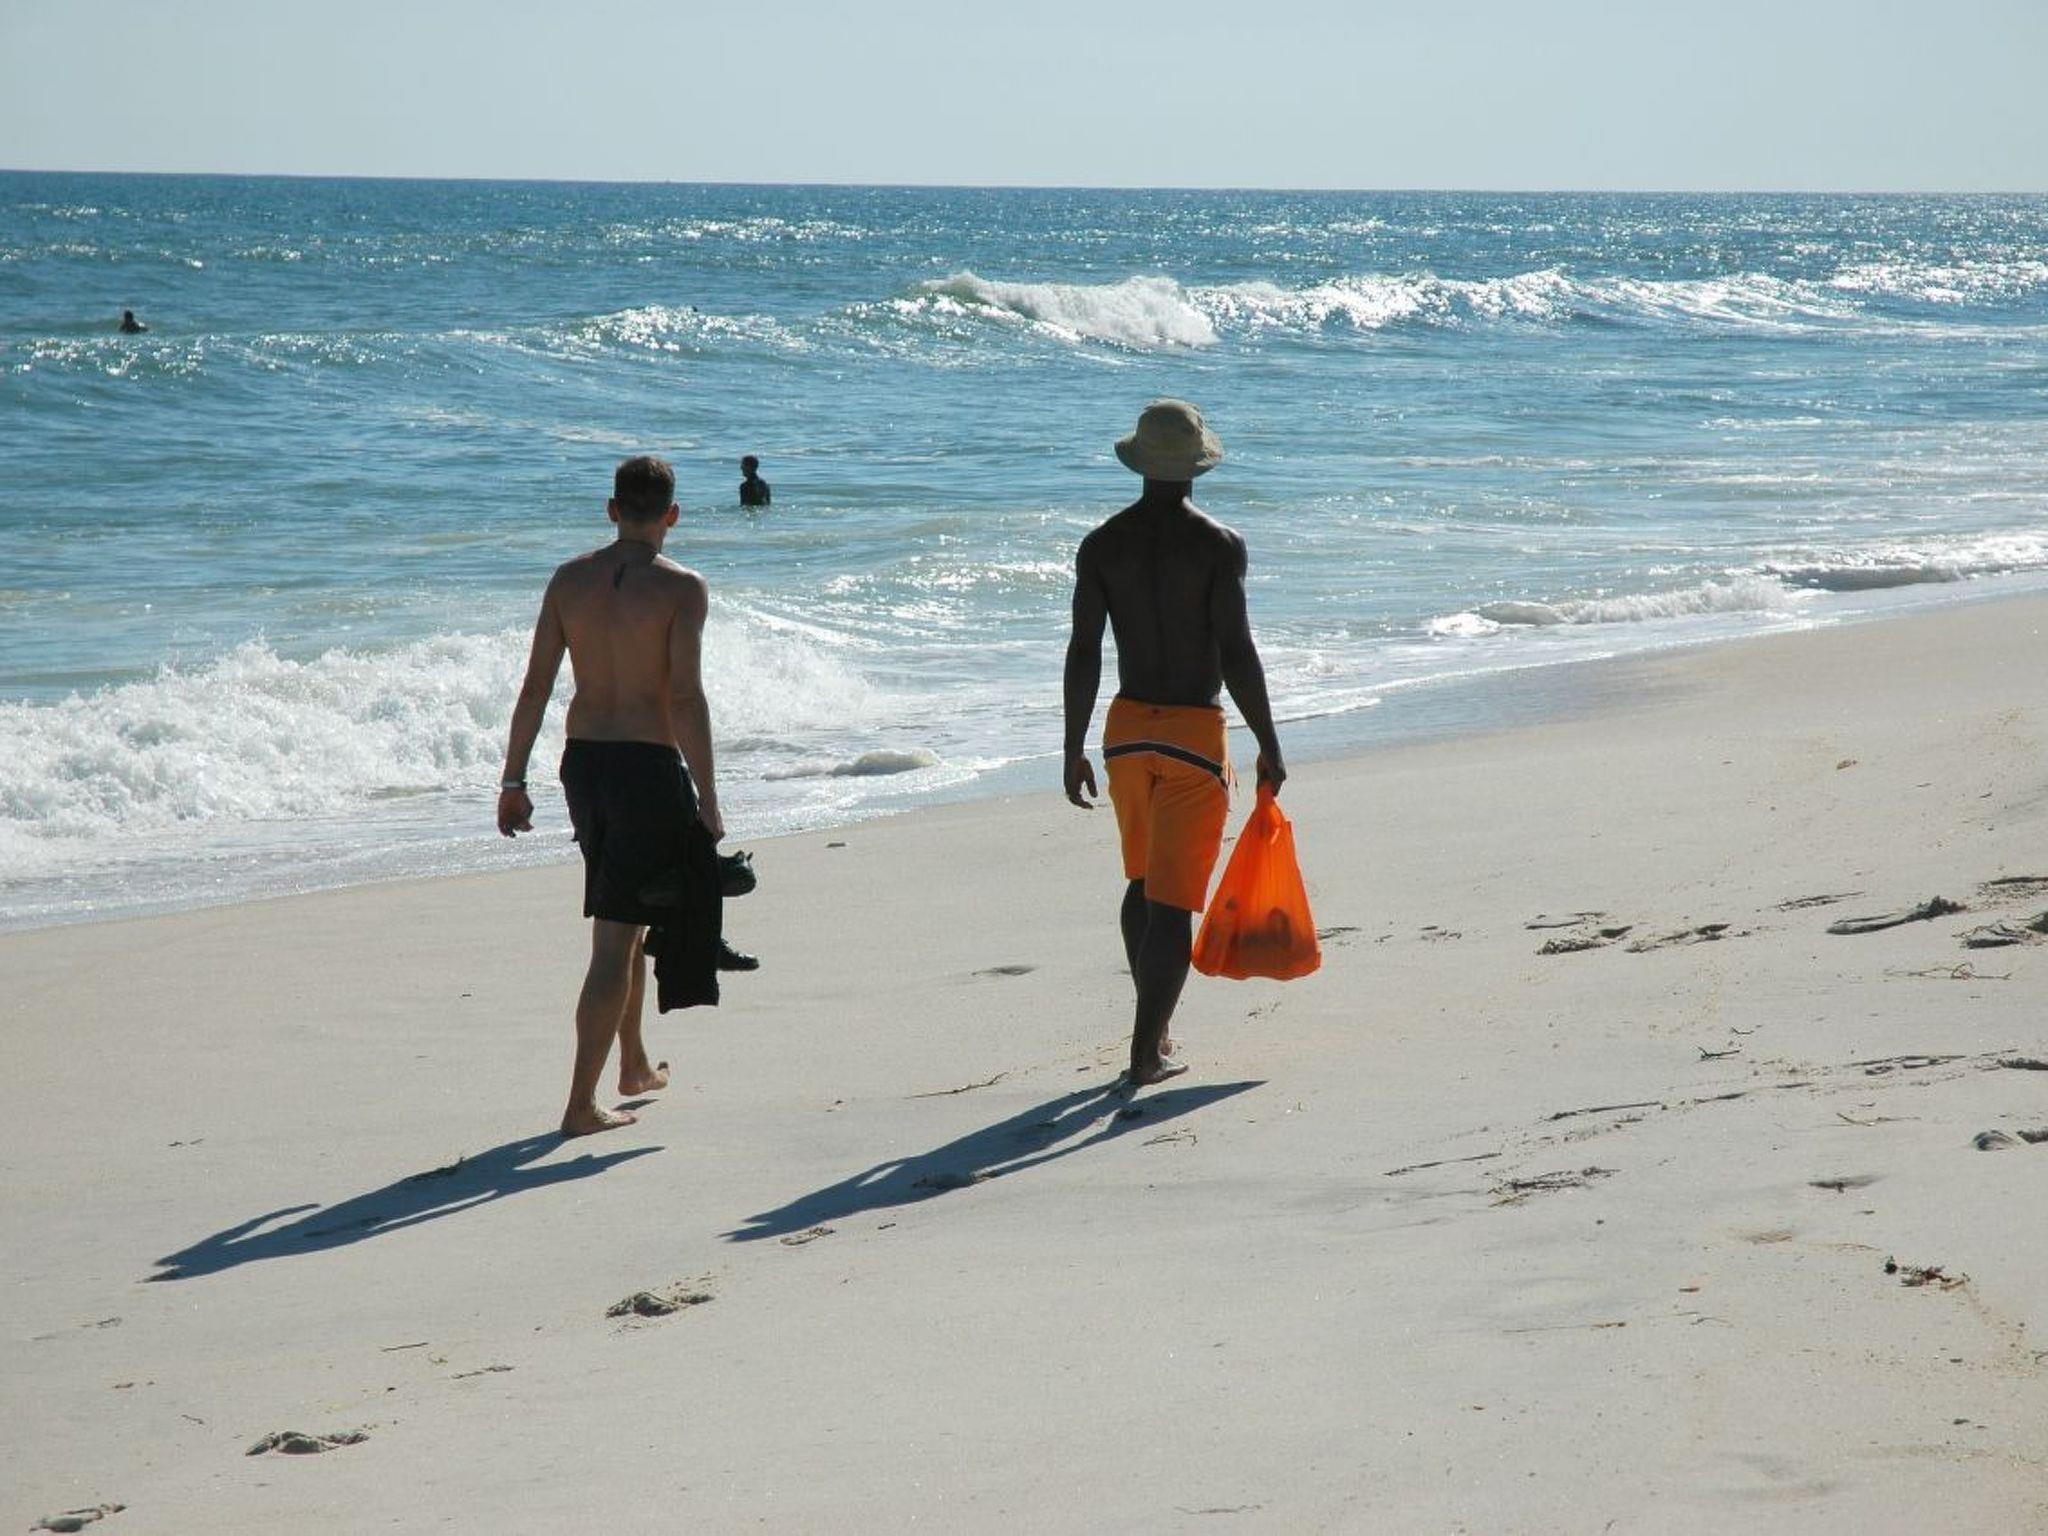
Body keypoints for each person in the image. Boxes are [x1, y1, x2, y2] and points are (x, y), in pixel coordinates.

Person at [497, 455, 726, 1137]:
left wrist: (513, 781)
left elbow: (535, 688)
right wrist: (709, 794)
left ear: (612, 509)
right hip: (645, 768)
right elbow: (684, 699)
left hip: (584, 766)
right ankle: (579, 1104)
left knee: (626, 914)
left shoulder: (568, 580)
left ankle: (634, 1065)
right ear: (673, 515)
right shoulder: (682, 589)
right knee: (615, 936)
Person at [1062, 400, 1287, 1087]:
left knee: (1142, 883)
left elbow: (1083, 651)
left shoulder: (1102, 544)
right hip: (1192, 732)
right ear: (1195, 465)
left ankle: (1152, 1031)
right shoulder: (1217, 545)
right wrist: (1268, 742)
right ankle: (1144, 1054)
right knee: (1172, 901)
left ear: (1139, 462)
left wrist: (1072, 747)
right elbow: (1236, 651)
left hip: (1127, 731)